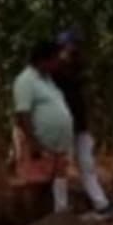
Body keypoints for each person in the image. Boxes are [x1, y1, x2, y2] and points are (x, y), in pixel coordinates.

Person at [52, 31, 112, 216]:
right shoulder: (54, 72)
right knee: (62, 167)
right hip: (63, 125)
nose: (76, 48)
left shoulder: (78, 67)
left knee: (87, 164)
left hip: (80, 124)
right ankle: (60, 209)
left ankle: (101, 204)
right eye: (73, 44)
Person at [13, 41, 74, 214]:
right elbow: (22, 114)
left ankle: (61, 211)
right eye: (55, 59)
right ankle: (32, 219)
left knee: (59, 176)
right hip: (40, 142)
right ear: (43, 60)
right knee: (36, 181)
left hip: (57, 144)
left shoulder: (48, 80)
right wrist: (33, 143)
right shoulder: (25, 81)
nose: (58, 62)